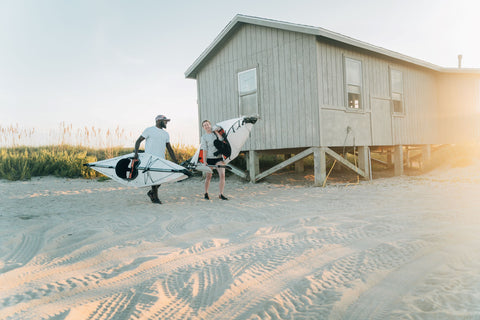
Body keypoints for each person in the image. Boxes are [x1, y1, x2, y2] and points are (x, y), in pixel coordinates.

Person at [134, 115, 178, 204]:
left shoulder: (166, 134)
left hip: (161, 159)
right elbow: (138, 141)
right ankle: (155, 198)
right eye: (165, 121)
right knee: (155, 179)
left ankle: (151, 193)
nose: (166, 123)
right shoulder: (149, 130)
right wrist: (136, 153)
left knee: (160, 179)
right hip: (150, 159)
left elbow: (169, 148)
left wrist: (175, 160)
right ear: (158, 121)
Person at [200, 120, 228, 200]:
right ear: (203, 127)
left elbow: (221, 139)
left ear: (210, 125)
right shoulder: (204, 137)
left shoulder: (215, 133)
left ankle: (221, 194)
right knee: (208, 176)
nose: (206, 126)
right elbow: (204, 149)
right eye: (204, 125)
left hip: (218, 158)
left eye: (207, 124)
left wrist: (216, 132)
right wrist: (204, 161)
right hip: (209, 158)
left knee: (222, 175)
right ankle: (206, 193)